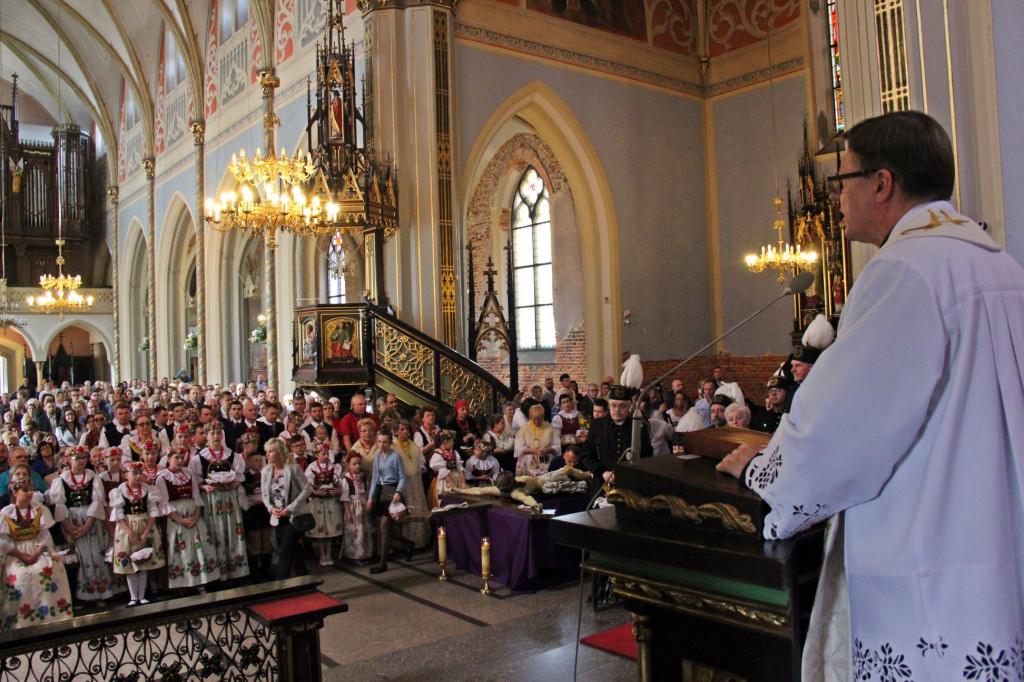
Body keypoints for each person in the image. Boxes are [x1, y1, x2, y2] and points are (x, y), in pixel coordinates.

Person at [716, 111, 1024, 680]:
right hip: (996, 541)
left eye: (842, 180)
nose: (836, 197)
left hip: (933, 555)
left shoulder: (904, 271)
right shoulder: (998, 263)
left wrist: (764, 471)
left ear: (881, 184)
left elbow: (842, 429)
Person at [0, 478, 74, 629]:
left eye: (31, 490)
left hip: (38, 549)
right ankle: (20, 620)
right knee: (20, 577)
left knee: (47, 571)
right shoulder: (5, 513)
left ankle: (52, 617)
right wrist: (22, 556)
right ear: (15, 492)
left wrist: (35, 554)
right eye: (25, 490)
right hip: (16, 552)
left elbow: (45, 535)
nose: (29, 493)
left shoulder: (40, 509)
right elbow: (4, 541)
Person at [48, 446, 115, 606]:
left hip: (91, 520)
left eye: (84, 458)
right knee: (81, 556)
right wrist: (70, 529)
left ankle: (101, 593)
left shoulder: (92, 476)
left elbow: (97, 502)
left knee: (96, 554)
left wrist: (87, 525)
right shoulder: (62, 479)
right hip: (72, 520)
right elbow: (60, 506)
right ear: (69, 459)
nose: (81, 461)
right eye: (77, 458)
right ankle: (84, 595)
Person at [190, 421, 249, 581]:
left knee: (231, 531)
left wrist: (231, 485)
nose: (216, 437)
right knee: (213, 531)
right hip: (211, 499)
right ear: (206, 436)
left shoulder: (232, 456)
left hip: (228, 498)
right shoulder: (199, 459)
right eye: (212, 434)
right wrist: (204, 487)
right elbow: (195, 481)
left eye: (218, 434)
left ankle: (235, 571)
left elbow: (239, 477)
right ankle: (217, 574)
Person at [156, 447, 217, 593]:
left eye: (182, 458)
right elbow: (163, 503)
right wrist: (180, 520)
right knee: (179, 549)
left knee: (198, 546)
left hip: (192, 514)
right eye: (176, 457)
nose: (179, 461)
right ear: (168, 459)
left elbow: (196, 496)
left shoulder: (189, 473)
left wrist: (196, 516)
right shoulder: (162, 477)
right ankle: (182, 583)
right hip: (176, 517)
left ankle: (200, 581)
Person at [109, 461, 166, 606]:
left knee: (143, 560)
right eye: (134, 473)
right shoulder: (120, 491)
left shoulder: (149, 490)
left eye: (140, 473)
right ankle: (133, 597)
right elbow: (118, 515)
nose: (138, 476)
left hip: (144, 525)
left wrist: (146, 531)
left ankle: (142, 595)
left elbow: (153, 512)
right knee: (130, 564)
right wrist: (130, 533)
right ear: (126, 475)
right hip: (127, 527)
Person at [581, 385, 653, 487]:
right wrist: (603, 472)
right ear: (609, 406)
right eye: (613, 405)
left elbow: (647, 456)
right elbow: (586, 455)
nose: (617, 409)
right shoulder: (597, 425)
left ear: (629, 407)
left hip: (630, 483)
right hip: (602, 483)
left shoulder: (639, 427)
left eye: (622, 406)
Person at [261, 438, 311, 579]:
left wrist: (291, 507)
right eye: (267, 452)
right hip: (278, 517)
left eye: (271, 452)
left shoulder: (293, 468)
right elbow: (265, 495)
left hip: (293, 515)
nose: (268, 455)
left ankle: (281, 584)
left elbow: (306, 489)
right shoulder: (266, 471)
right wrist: (271, 508)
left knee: (284, 552)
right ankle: (304, 576)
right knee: (293, 549)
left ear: (280, 452)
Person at [366, 429, 414, 574]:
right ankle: (408, 543)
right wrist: (370, 497)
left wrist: (399, 492)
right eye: (379, 442)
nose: (382, 445)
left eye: (385, 442)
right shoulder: (377, 456)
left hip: (392, 490)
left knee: (384, 527)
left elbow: (402, 476)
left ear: (390, 442)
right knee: (385, 529)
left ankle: (383, 562)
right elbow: (375, 478)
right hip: (381, 491)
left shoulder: (396, 457)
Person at [305, 443, 344, 566]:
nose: (326, 456)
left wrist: (337, 490)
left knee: (330, 528)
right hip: (318, 502)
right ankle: (322, 554)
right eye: (323, 453)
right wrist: (315, 491)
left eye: (327, 453)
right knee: (321, 529)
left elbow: (340, 481)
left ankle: (329, 554)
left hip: (331, 501)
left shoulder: (333, 467)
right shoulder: (311, 467)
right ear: (316, 455)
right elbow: (307, 483)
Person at [392, 420, 430, 549]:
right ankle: (405, 541)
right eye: (401, 429)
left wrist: (421, 466)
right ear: (396, 431)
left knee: (417, 508)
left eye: (406, 429)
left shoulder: (414, 445)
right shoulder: (393, 446)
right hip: (403, 484)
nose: (405, 432)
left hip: (416, 483)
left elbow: (421, 460)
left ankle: (419, 539)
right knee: (405, 509)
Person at [339, 452, 373, 565]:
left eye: (359, 463)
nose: (357, 466)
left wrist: (368, 502)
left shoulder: (363, 477)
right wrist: (348, 512)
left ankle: (365, 554)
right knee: (355, 532)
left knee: (364, 531)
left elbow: (367, 491)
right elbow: (345, 497)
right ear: (349, 465)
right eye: (354, 464)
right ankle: (354, 555)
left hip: (363, 506)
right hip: (354, 508)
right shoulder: (347, 479)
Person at [513, 404, 560, 475]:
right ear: (530, 417)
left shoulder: (550, 428)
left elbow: (557, 445)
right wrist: (533, 450)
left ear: (543, 417)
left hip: (546, 459)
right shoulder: (525, 428)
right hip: (528, 461)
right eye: (534, 419)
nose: (536, 422)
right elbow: (518, 448)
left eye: (539, 419)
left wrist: (548, 449)